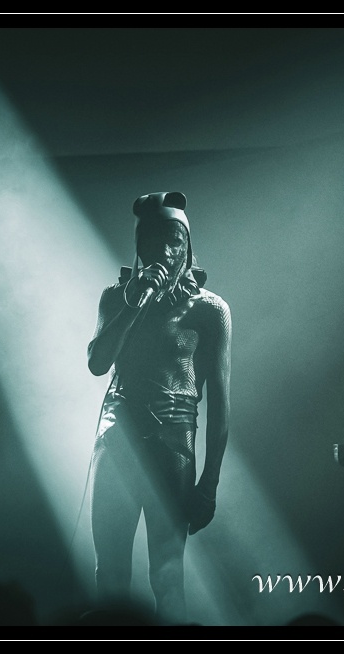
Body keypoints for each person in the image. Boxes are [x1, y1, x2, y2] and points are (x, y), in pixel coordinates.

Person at [86, 191, 231, 624]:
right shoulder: (116, 297)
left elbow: (221, 404)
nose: (165, 250)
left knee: (167, 576)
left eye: (175, 240)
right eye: (153, 240)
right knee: (109, 573)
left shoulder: (210, 310)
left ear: (187, 246)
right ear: (139, 246)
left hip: (173, 447)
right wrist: (136, 299)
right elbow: (97, 363)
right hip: (117, 439)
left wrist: (209, 483)